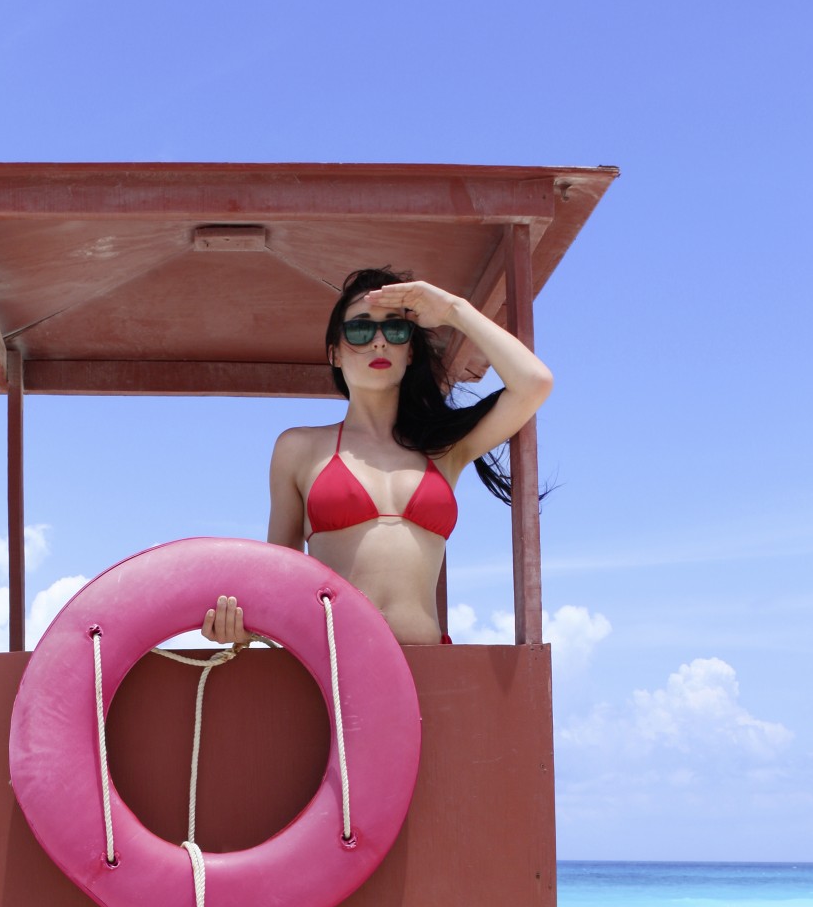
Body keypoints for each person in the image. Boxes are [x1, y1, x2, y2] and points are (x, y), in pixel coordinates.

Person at [201, 264, 552, 651]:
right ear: (334, 354)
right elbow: (278, 578)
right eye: (360, 329)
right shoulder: (298, 448)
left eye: (395, 329)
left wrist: (453, 309)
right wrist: (241, 629)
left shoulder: (444, 449)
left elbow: (534, 383)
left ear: (410, 351)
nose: (379, 342)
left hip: (430, 669)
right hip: (333, 666)